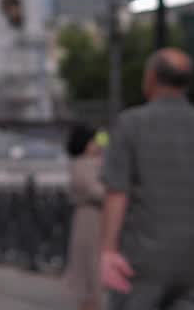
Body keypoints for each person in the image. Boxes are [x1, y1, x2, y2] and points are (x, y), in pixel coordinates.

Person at [99, 48, 194, 310]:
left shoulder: (130, 124)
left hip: (141, 259)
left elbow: (117, 192)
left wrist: (108, 250)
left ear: (150, 78)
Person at [64, 124, 106, 310]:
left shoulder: (99, 161)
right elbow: (94, 190)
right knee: (90, 266)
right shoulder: (81, 164)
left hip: (99, 219)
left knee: (96, 265)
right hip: (89, 220)